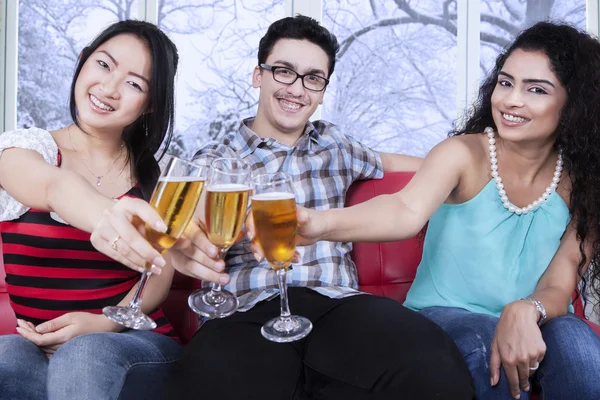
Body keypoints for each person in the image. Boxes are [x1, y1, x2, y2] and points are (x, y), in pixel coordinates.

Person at [145, 15, 470, 399]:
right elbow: (190, 215)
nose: (297, 89)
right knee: (207, 382)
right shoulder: (218, 158)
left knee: (433, 363)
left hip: (338, 305)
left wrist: (475, 164)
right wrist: (188, 234)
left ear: (321, 91)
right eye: (284, 72)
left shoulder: (337, 144)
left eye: (313, 78)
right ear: (258, 75)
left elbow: (423, 167)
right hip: (247, 311)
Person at [291, 22, 600, 400]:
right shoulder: (463, 154)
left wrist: (525, 310)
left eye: (535, 89)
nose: (511, 100)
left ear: (575, 104)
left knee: (577, 343)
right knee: (485, 342)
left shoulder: (585, 184)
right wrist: (318, 223)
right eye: (506, 82)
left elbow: (558, 284)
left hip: (536, 317)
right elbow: (404, 209)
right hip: (447, 317)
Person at [0, 20, 181, 400]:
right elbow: (53, 186)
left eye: (134, 84)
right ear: (83, 62)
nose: (109, 88)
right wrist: (108, 216)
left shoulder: (160, 173)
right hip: (34, 341)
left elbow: (161, 274)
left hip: (135, 343)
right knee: (7, 360)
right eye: (103, 65)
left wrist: (102, 323)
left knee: (84, 354)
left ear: (148, 104)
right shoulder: (24, 149)